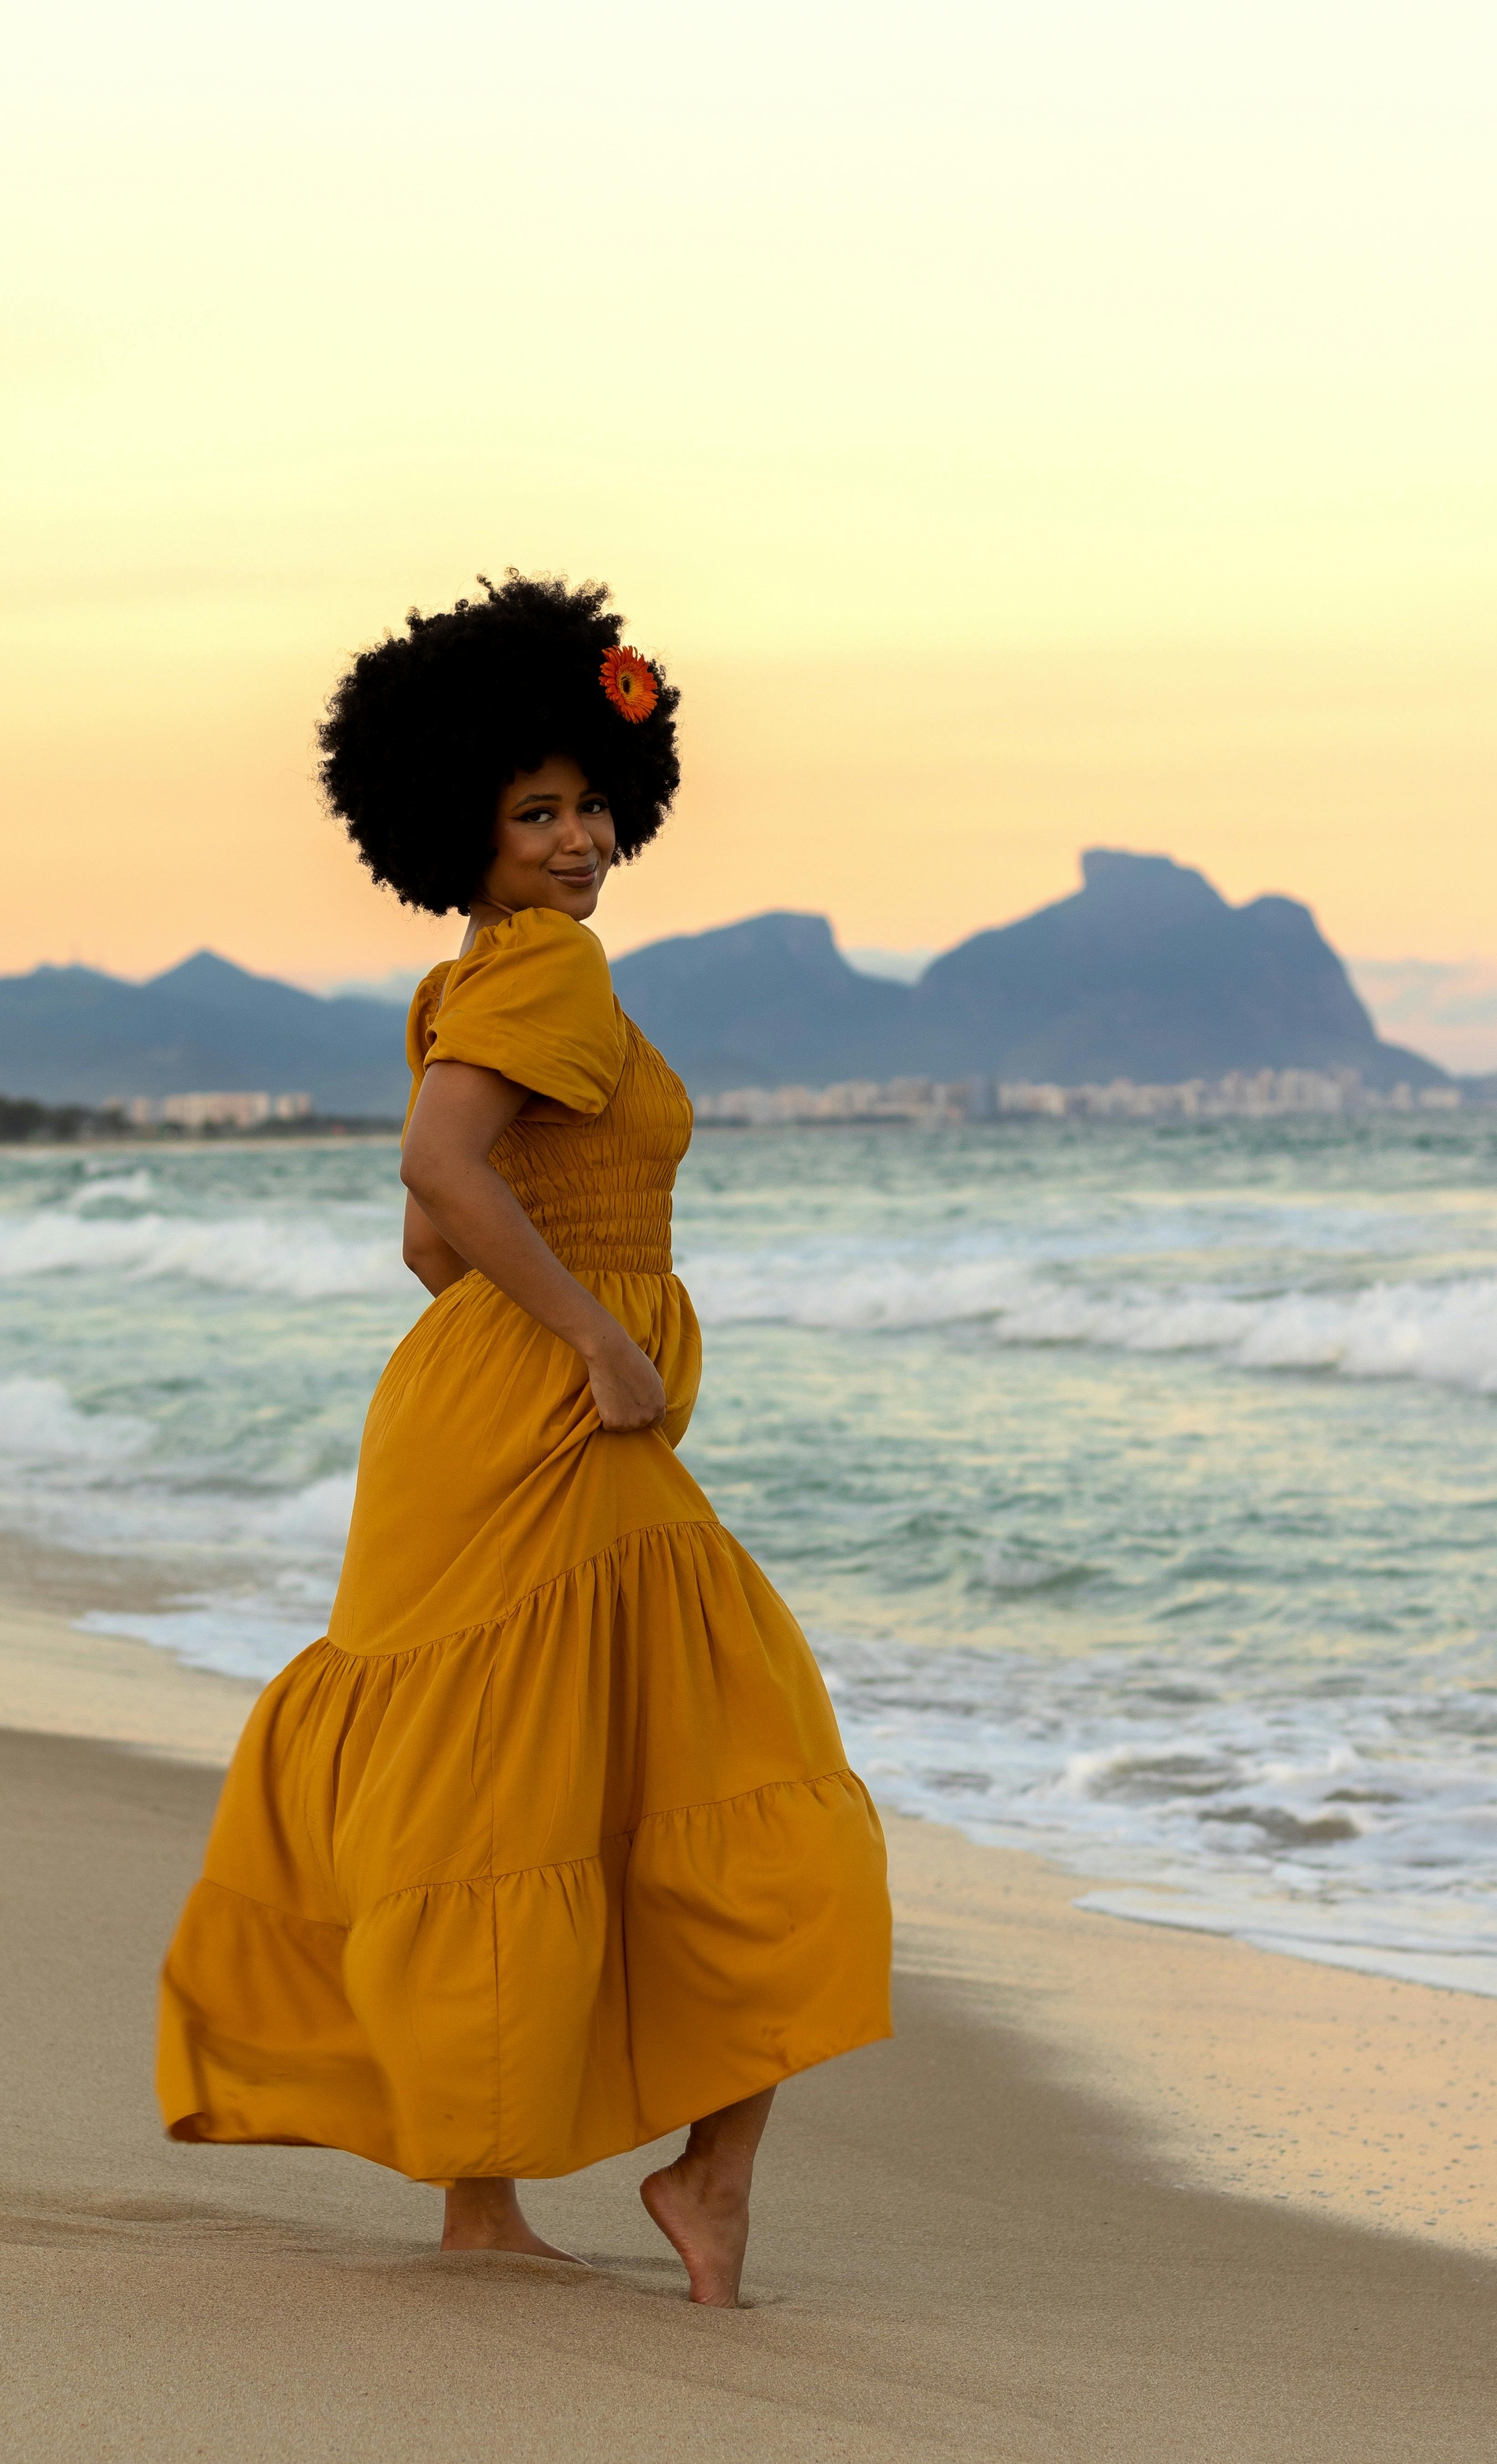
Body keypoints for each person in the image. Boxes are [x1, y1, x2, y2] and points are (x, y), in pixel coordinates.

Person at [158, 573, 891, 2305]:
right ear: (463, 829)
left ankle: (488, 2208)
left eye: (588, 807)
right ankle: (711, 2179)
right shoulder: (548, 971)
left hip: (472, 1419)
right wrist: (592, 1341)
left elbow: (431, 1239)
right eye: (534, 812)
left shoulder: (470, 975)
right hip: (556, 1421)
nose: (576, 843)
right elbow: (439, 1177)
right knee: (744, 1775)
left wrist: (530, 1322)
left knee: (497, 1784)